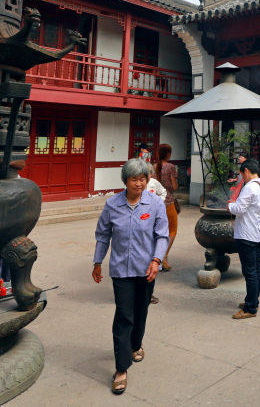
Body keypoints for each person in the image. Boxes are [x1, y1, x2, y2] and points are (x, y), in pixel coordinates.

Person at [93, 159, 168, 395]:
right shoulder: (112, 204)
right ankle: (121, 368)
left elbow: (162, 236)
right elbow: (103, 234)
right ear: (125, 180)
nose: (139, 183)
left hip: (147, 270)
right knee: (124, 316)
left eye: (143, 178)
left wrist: (156, 260)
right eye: (134, 179)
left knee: (141, 311)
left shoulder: (155, 203)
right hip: (121, 271)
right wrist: (97, 262)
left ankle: (136, 345)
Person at [229, 159, 260, 319]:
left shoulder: (249, 187)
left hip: (246, 234)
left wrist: (230, 205)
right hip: (257, 233)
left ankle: (251, 308)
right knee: (256, 271)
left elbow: (239, 209)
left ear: (246, 171)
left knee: (250, 272)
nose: (242, 178)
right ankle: (253, 301)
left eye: (241, 175)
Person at [153, 145, 179, 273]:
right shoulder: (170, 167)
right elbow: (174, 186)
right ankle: (162, 256)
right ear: (168, 154)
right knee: (172, 230)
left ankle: (162, 258)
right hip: (168, 202)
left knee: (159, 231)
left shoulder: (153, 167)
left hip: (157, 202)